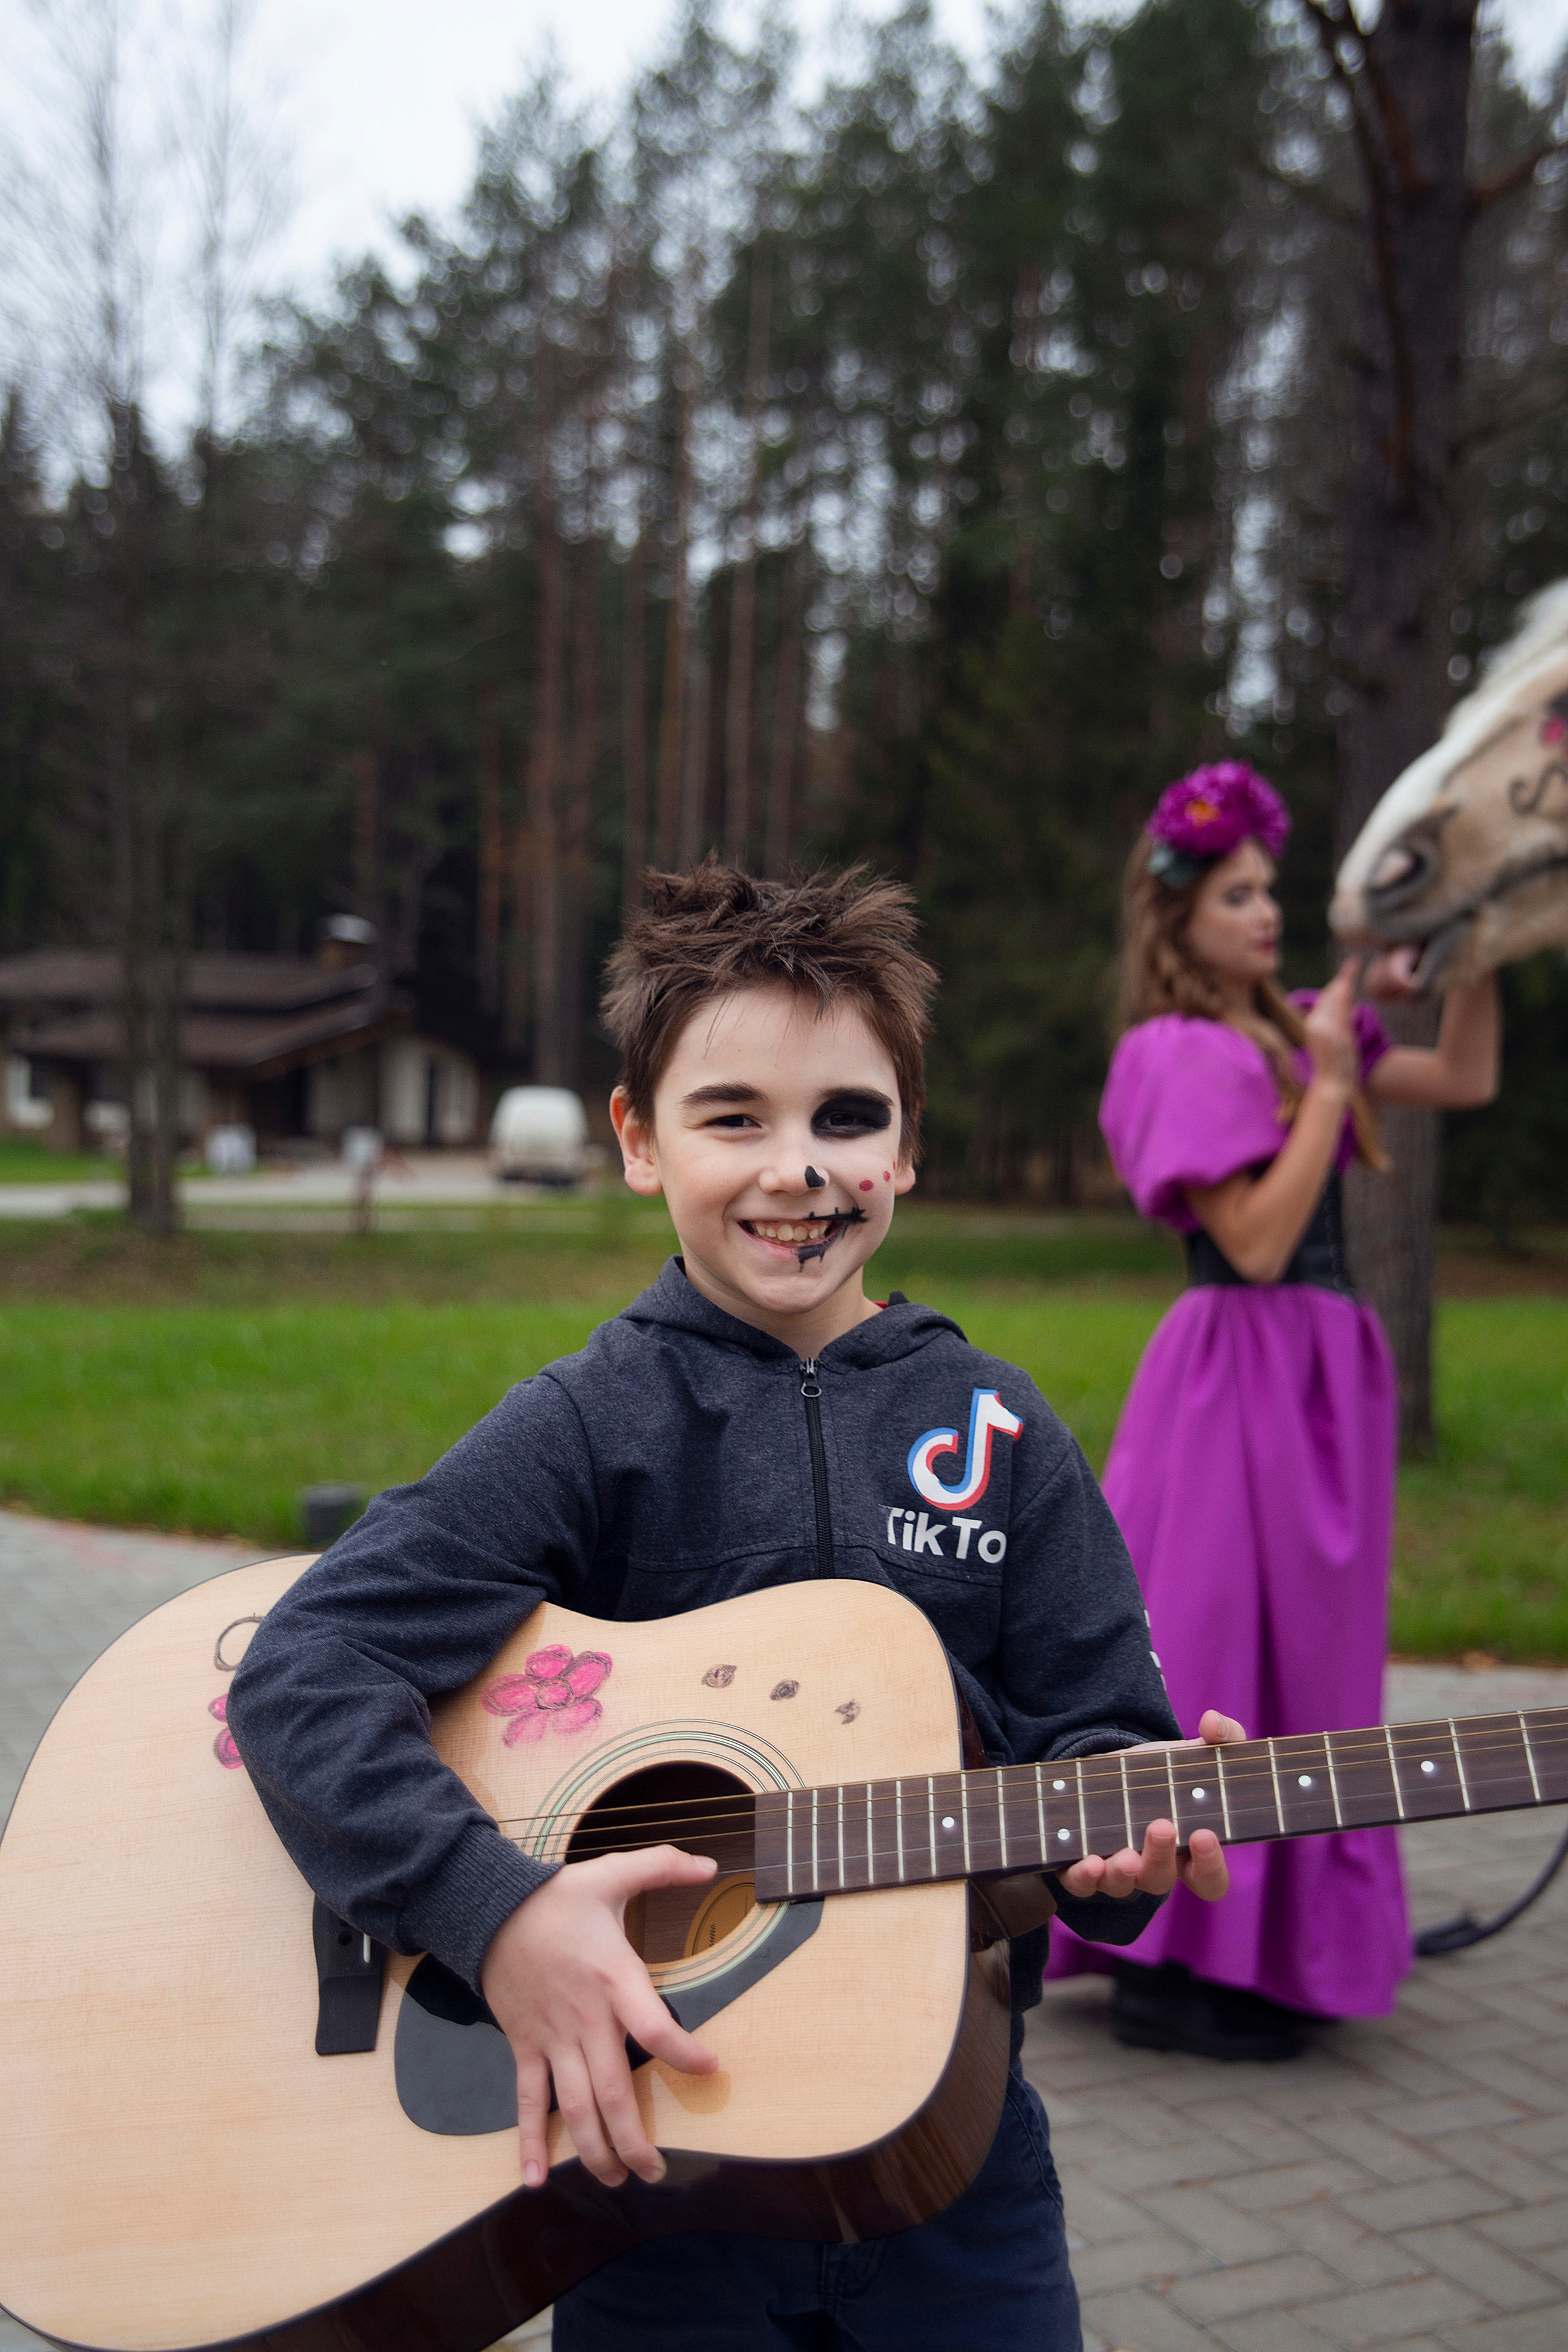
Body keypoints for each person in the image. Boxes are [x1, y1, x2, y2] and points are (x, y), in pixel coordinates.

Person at [229, 862, 1243, 2352]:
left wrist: (1116, 1839)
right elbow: (307, 1666)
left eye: (847, 1116)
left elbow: (1099, 1734)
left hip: (950, 2177)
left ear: (908, 1145)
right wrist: (495, 1916)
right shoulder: (593, 1419)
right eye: (733, 1119)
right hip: (647, 2182)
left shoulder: (1001, 1432)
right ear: (638, 1142)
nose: (798, 1169)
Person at [1046, 764, 1499, 2062]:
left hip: (1317, 1378)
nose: (1263, 915)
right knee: (1215, 1655)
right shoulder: (1172, 1051)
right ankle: (1180, 1961)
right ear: (1175, 913)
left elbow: (1461, 1077)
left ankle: (1274, 1950)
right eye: (1235, 894)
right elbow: (1248, 1239)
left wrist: (1477, 940)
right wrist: (1317, 1078)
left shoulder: (1299, 1029)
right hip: (1234, 1370)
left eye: (1268, 894)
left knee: (1311, 1666)